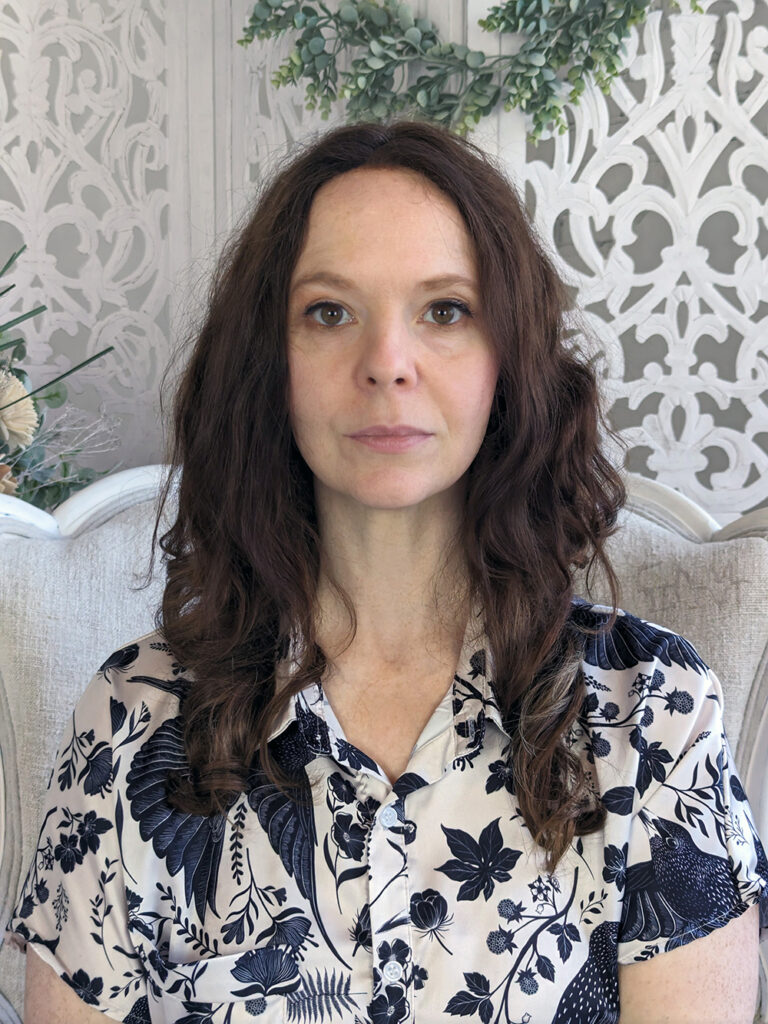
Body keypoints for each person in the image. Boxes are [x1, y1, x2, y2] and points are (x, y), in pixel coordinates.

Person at [6, 119, 767, 1024]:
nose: (386, 365)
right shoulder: (134, 718)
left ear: (507, 359)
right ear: (267, 363)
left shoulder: (654, 710)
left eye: (445, 310)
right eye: (329, 312)